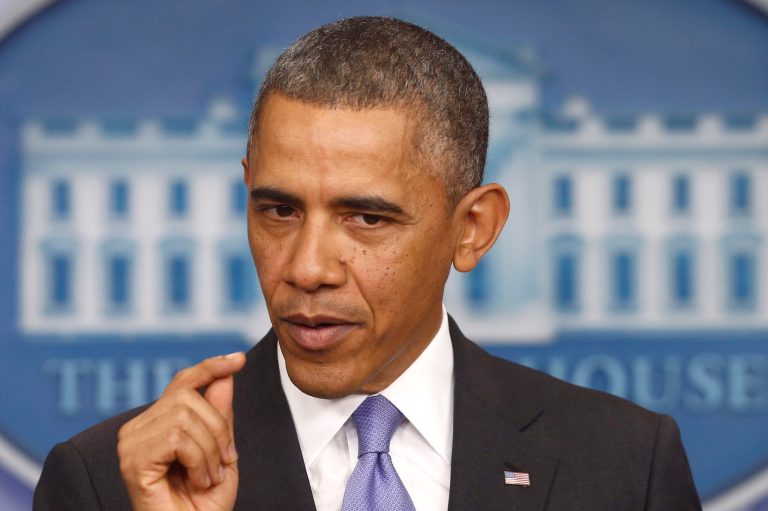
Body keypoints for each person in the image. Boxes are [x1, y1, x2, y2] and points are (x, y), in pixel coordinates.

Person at [33, 16, 701, 511]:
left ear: (472, 228)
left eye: (367, 218)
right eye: (279, 210)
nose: (308, 267)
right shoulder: (106, 482)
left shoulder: (623, 464)